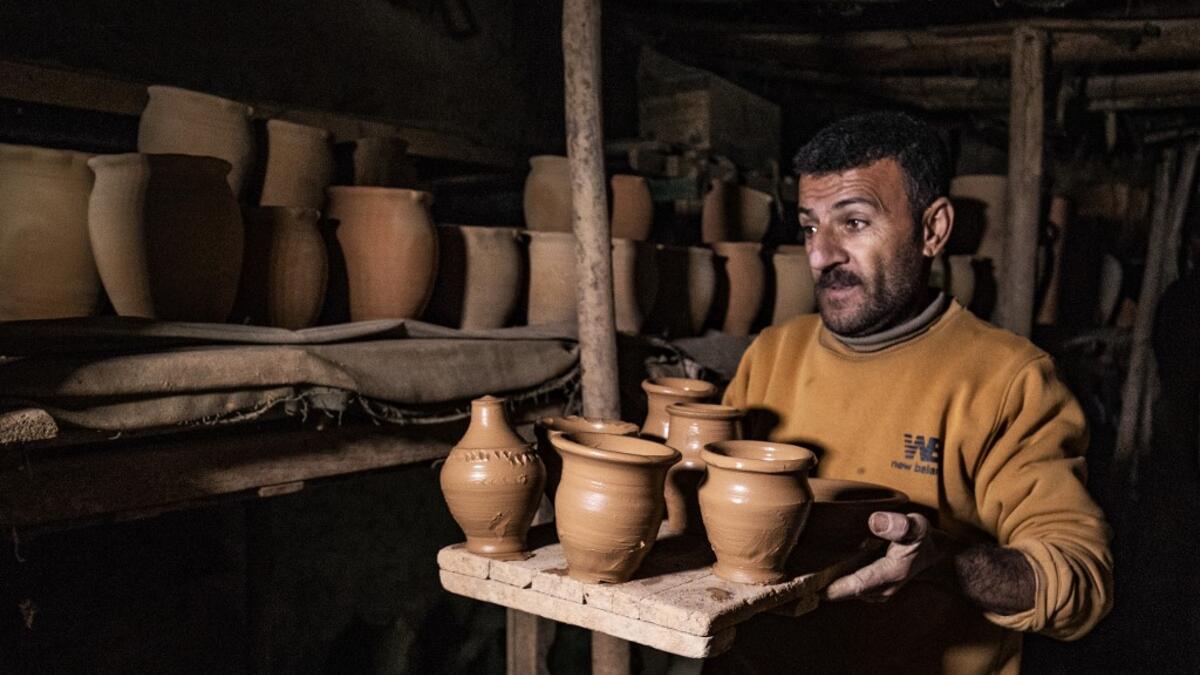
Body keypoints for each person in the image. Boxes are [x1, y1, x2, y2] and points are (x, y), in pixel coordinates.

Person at [715, 112, 1113, 674]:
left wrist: (942, 561)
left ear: (933, 230)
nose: (819, 255)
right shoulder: (772, 353)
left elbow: (1082, 584)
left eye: (853, 222)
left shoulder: (1009, 380)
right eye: (809, 226)